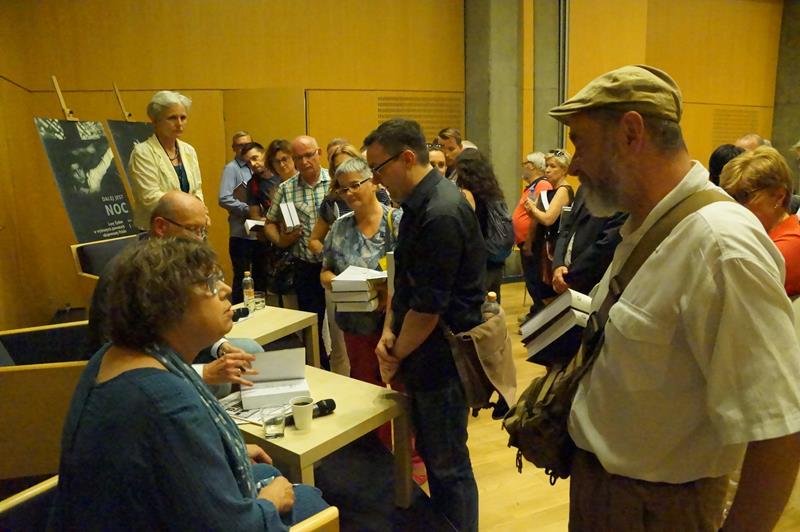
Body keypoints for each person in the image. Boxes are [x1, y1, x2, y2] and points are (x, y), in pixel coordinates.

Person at [548, 64, 800, 531]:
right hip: (604, 492)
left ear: (631, 133)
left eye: (581, 142)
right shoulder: (647, 226)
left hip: (657, 510)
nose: (574, 165)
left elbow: (779, 431)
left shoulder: (722, 246)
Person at [50, 238, 328, 530]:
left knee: (266, 472)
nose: (226, 289)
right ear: (166, 306)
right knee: (309, 501)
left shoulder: (111, 356)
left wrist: (222, 451)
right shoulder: (166, 402)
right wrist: (269, 504)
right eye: (209, 283)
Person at [365, 118, 483, 532]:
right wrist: (388, 333)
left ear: (406, 158)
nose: (375, 180)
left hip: (443, 360)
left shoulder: (442, 212)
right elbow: (405, 283)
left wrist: (394, 353)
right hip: (422, 351)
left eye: (378, 168)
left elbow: (429, 309)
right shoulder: (418, 206)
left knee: (448, 465)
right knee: (434, 457)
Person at [87, 191, 260, 398]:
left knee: (250, 351)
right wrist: (203, 373)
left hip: (178, 352)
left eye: (203, 231)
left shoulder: (180, 262)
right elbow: (122, 355)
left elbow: (185, 323)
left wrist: (220, 346)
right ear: (161, 227)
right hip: (144, 372)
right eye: (194, 230)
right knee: (220, 382)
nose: (200, 240)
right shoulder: (131, 274)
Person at [320, 157, 402, 441]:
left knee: (401, 389)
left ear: (373, 182)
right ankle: (377, 450)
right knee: (366, 390)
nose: (349, 193)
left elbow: (410, 274)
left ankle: (410, 453)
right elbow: (325, 271)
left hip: (393, 324)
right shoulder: (339, 227)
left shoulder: (396, 222)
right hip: (355, 323)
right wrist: (339, 283)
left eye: (355, 185)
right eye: (343, 189)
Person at [264, 136, 330, 369]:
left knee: (338, 329)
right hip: (306, 267)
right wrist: (281, 241)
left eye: (309, 155)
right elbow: (269, 223)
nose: (304, 162)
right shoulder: (286, 188)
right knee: (313, 324)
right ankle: (320, 370)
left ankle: (343, 372)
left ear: (319, 153)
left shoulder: (334, 182)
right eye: (298, 157)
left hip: (335, 267)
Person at [720, 146, 800, 296]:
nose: (734, 205)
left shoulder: (789, 246)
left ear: (779, 197)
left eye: (743, 196)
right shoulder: (763, 238)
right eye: (729, 197)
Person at [129, 90, 204, 230]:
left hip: (189, 228)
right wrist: (189, 214)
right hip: (156, 232)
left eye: (183, 117)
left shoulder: (189, 150)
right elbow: (150, 198)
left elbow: (197, 190)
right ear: (155, 120)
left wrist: (202, 214)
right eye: (172, 118)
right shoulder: (142, 152)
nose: (179, 123)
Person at [522, 149, 574, 315]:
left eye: (553, 166)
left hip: (553, 248)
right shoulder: (547, 191)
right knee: (538, 287)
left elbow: (548, 219)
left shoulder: (564, 190)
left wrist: (532, 209)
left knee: (549, 291)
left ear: (564, 170)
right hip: (541, 245)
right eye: (547, 166)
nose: (547, 170)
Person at [550, 185, 626, 296]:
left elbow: (607, 243)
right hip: (563, 274)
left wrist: (569, 276)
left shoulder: (622, 192)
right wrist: (558, 264)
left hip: (591, 282)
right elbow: (566, 228)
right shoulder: (583, 188)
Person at [454, 150, 508, 302]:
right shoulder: (494, 192)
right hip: (496, 258)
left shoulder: (466, 194)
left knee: (478, 307)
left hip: (479, 261)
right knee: (493, 306)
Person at [513, 152, 553, 324]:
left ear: (532, 166)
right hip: (525, 241)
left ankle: (540, 318)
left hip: (534, 242)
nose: (523, 167)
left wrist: (529, 241)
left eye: (525, 164)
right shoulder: (532, 186)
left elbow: (536, 217)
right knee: (531, 280)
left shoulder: (542, 185)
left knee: (535, 280)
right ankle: (536, 311)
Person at [218, 131, 255, 303]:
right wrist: (248, 209)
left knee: (259, 277)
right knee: (242, 278)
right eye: (240, 145)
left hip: (259, 233)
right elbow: (224, 198)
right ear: (233, 148)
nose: (244, 148)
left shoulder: (257, 166)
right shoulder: (231, 168)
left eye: (247, 145)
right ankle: (240, 312)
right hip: (240, 234)